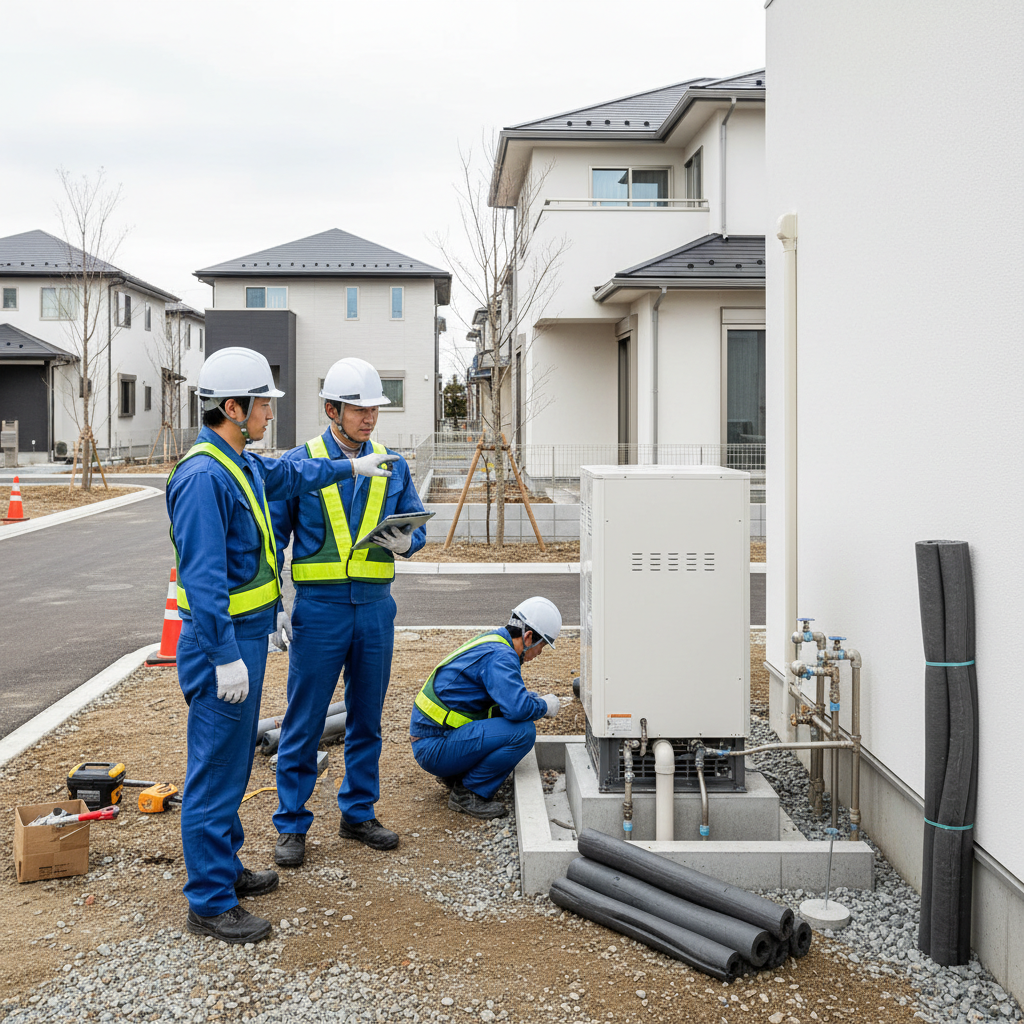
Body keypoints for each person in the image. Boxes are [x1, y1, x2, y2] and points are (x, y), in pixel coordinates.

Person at [166, 347, 398, 945]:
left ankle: (226, 870)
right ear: (234, 408)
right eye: (264, 404)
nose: (270, 414)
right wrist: (224, 656)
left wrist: (352, 469)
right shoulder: (203, 477)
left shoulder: (238, 463)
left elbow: (292, 476)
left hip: (245, 637)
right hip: (222, 646)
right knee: (215, 773)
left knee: (234, 766)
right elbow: (203, 580)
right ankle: (209, 903)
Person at [270, 357, 427, 867]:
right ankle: (291, 824)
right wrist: (274, 605)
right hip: (319, 610)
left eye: (374, 409)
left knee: (367, 718)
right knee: (304, 720)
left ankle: (358, 812)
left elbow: (417, 527)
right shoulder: (301, 463)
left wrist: (407, 543)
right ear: (331, 410)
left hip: (376, 608)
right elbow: (274, 538)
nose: (369, 418)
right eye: (359, 410)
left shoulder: (393, 463)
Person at [409, 597, 563, 819]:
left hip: (433, 740)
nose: (539, 654)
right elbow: (518, 710)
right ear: (528, 637)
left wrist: (531, 699)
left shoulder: (494, 641)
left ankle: (457, 773)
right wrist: (544, 706)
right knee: (523, 732)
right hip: (435, 749)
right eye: (542, 647)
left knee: (515, 717)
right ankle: (468, 793)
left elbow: (503, 699)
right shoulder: (502, 657)